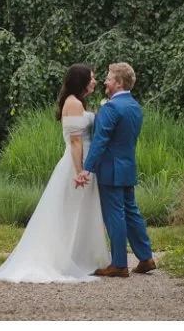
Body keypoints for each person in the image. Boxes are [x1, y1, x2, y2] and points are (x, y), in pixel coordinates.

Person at [0, 63, 111, 283]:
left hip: (83, 162)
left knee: (81, 211)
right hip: (76, 163)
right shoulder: (74, 103)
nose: (95, 81)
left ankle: (80, 255)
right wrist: (80, 171)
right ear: (81, 81)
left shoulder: (76, 103)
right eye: (91, 77)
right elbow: (75, 141)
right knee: (72, 210)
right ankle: (69, 258)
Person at [75, 62, 156, 277]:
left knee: (115, 216)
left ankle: (119, 264)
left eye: (109, 78)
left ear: (118, 83)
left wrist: (87, 169)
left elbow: (101, 141)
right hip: (127, 167)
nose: (105, 81)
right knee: (131, 213)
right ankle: (146, 257)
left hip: (110, 169)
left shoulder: (111, 107)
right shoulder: (134, 106)